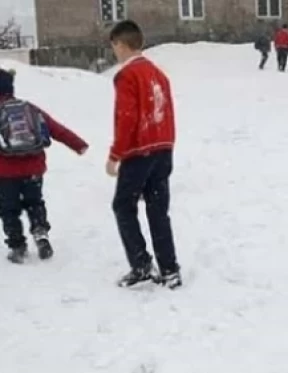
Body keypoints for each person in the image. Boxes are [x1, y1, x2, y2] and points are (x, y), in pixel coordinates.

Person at [107, 20, 181, 289]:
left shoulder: (127, 75)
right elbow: (168, 112)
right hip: (163, 148)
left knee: (123, 206)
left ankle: (141, 264)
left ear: (121, 44)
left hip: (139, 151)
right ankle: (170, 269)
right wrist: (168, 144)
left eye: (114, 46)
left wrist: (116, 154)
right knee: (158, 209)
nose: (114, 52)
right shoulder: (159, 74)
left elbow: (126, 118)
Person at [0, 68, 88, 263]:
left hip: (5, 173)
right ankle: (40, 233)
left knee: (8, 209)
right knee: (35, 202)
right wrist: (78, 144)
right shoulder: (29, 108)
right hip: (33, 169)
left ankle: (17, 245)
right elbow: (55, 128)